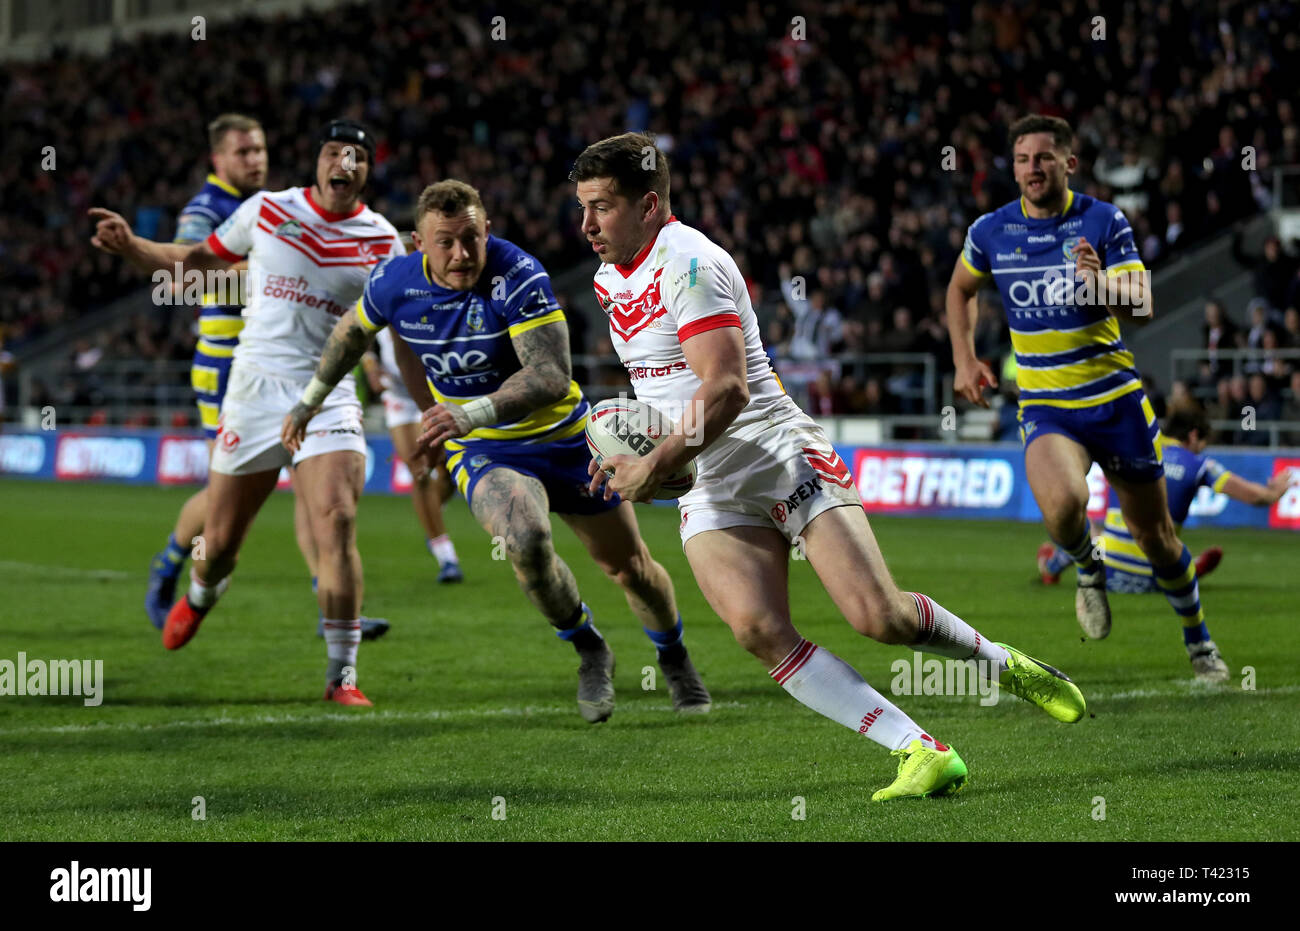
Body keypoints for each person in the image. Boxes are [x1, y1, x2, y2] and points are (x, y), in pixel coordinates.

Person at [575, 132, 1085, 803]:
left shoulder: (690, 265)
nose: (586, 224)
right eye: (582, 206)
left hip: (774, 450)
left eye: (602, 206)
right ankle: (919, 749)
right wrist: (621, 456)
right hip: (708, 475)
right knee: (757, 629)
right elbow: (657, 387)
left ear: (647, 204)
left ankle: (1007, 665)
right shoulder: (609, 277)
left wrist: (661, 460)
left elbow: (725, 387)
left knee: (880, 616)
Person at [283, 179, 711, 722]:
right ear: (419, 244)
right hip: (487, 451)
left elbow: (553, 376)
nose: (461, 254)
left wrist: (466, 411)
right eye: (446, 242)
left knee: (629, 569)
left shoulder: (518, 274)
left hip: (565, 439)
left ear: (488, 231)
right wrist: (308, 402)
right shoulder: (393, 283)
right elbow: (351, 334)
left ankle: (673, 659)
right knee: (525, 541)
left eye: (472, 238)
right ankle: (589, 647)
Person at [91, 119, 403, 706]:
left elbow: (396, 324)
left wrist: (431, 402)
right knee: (224, 539)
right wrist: (132, 246)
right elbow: (191, 263)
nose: (346, 163)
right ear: (316, 161)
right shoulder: (264, 211)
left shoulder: (383, 239)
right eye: (336, 151)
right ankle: (199, 594)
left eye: (359, 156)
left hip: (328, 393)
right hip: (253, 389)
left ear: (367, 170)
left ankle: (342, 675)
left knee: (334, 518)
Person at [947, 114, 1210, 651]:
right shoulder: (991, 231)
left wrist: (1101, 284)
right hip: (1047, 408)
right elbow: (960, 290)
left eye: (1043, 158)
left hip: (1116, 403)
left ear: (1070, 163)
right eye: (1022, 160)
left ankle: (1199, 639)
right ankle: (1089, 568)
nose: (1032, 169)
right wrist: (964, 359)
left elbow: (1143, 304)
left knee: (1156, 540)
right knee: (1064, 506)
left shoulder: (1104, 221)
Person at [1037, 404, 1296, 679]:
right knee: (1167, 545)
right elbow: (1255, 497)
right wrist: (1274, 491)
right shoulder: (1199, 464)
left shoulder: (1131, 446)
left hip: (1108, 573)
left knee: (1091, 531)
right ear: (1194, 435)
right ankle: (1192, 570)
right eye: (1203, 443)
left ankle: (1050, 566)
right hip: (1158, 578)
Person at [361, 325, 464, 583]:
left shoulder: (438, 293)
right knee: (419, 473)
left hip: (436, 391)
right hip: (399, 396)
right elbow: (359, 331)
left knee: (448, 471)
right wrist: (371, 364)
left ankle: (432, 510)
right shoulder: (384, 292)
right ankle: (446, 556)